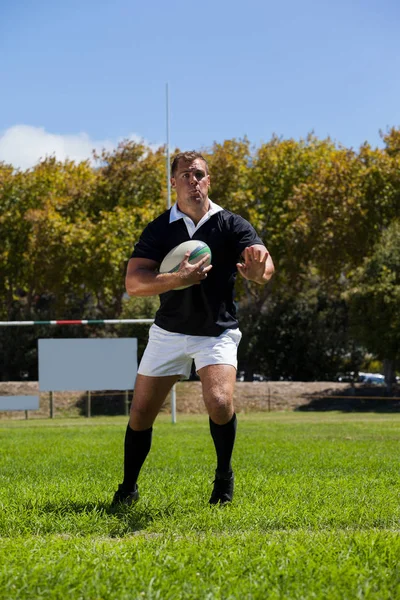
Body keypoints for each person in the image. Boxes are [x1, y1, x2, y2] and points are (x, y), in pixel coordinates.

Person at [112, 150, 274, 507]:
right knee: (140, 414)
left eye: (199, 174)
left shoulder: (231, 224)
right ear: (173, 183)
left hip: (216, 332)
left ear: (208, 180)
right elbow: (134, 283)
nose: (193, 180)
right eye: (185, 175)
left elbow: (264, 266)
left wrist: (256, 272)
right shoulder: (159, 228)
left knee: (219, 402)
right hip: (168, 332)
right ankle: (128, 488)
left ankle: (223, 477)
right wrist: (176, 278)